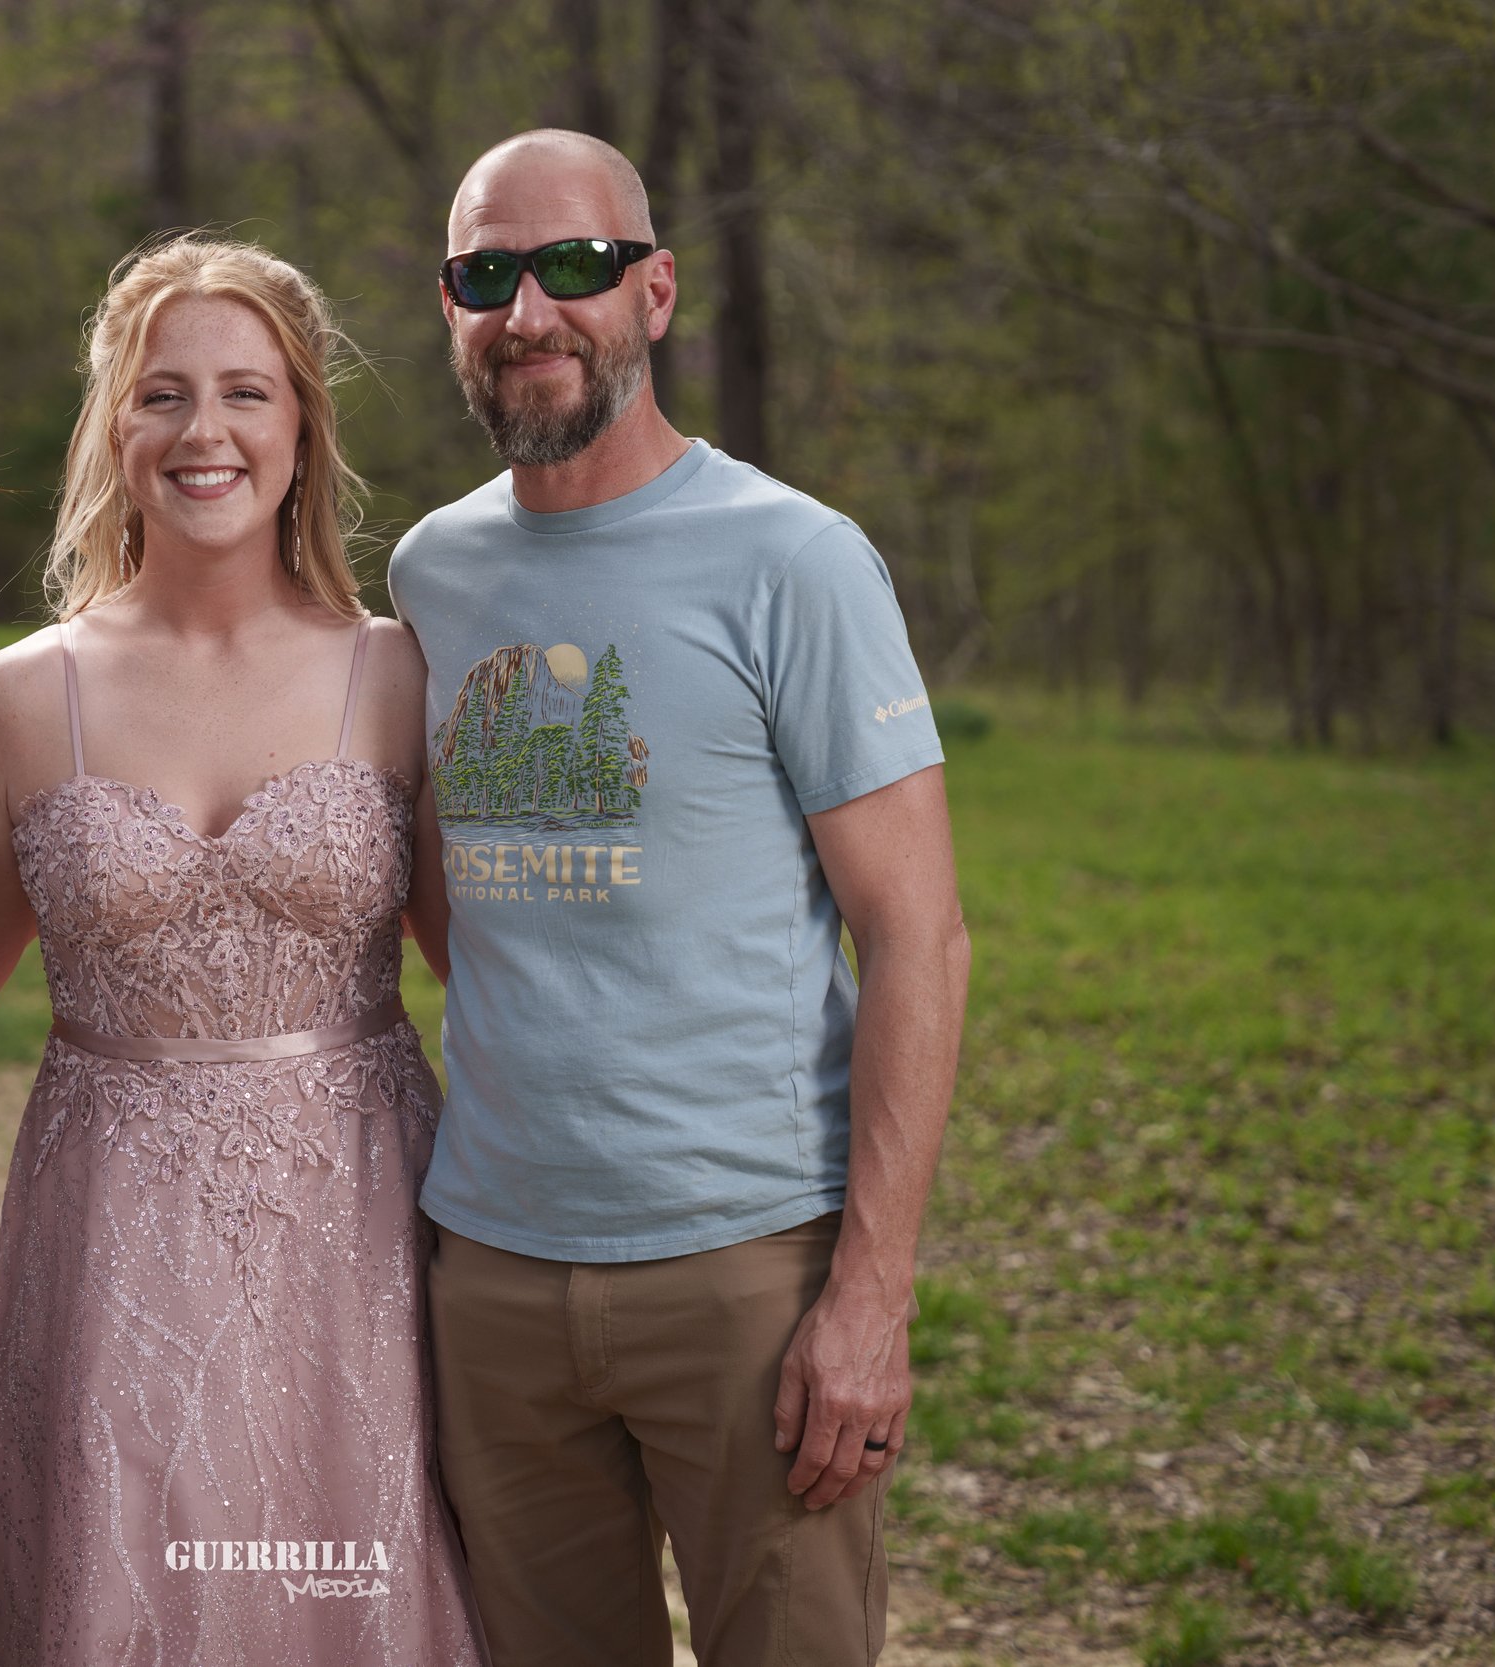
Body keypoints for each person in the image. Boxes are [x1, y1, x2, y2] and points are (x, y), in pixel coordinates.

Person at [389, 131, 973, 1666]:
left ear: (654, 291)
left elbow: (917, 936)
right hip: (494, 1273)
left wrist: (871, 1299)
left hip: (746, 1273)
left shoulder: (795, 559)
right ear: (449, 306)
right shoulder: (431, 574)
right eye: (487, 275)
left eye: (575, 267)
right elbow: (452, 897)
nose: (532, 311)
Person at [0, 236, 483, 1664]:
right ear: (113, 431)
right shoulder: (13, 703)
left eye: (246, 392)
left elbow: (498, 977)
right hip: (108, 1233)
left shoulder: (402, 674)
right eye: (161, 394)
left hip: (354, 1230)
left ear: (302, 429)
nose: (205, 431)